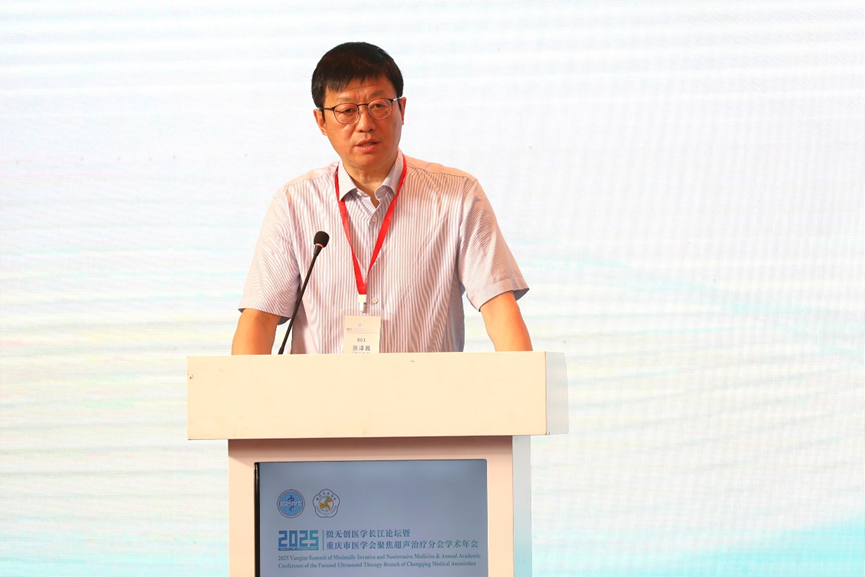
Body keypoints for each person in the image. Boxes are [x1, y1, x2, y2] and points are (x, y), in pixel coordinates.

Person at [232, 42, 531, 355]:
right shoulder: (294, 204)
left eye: (378, 106)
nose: (365, 124)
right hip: (322, 389)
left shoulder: (458, 196)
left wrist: (525, 382)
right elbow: (259, 319)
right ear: (321, 121)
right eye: (347, 111)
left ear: (401, 110)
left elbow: (499, 308)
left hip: (424, 388)